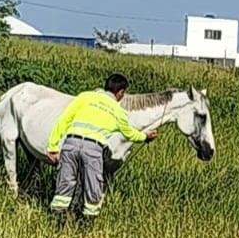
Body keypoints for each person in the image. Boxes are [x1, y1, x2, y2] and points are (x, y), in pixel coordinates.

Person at [46, 73, 158, 225]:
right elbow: (129, 133)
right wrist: (145, 136)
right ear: (121, 93)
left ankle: (56, 223)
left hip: (70, 144)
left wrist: (53, 146)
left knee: (65, 184)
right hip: (93, 149)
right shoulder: (118, 111)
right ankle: (86, 225)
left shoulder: (85, 97)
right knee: (93, 188)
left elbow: (64, 119)